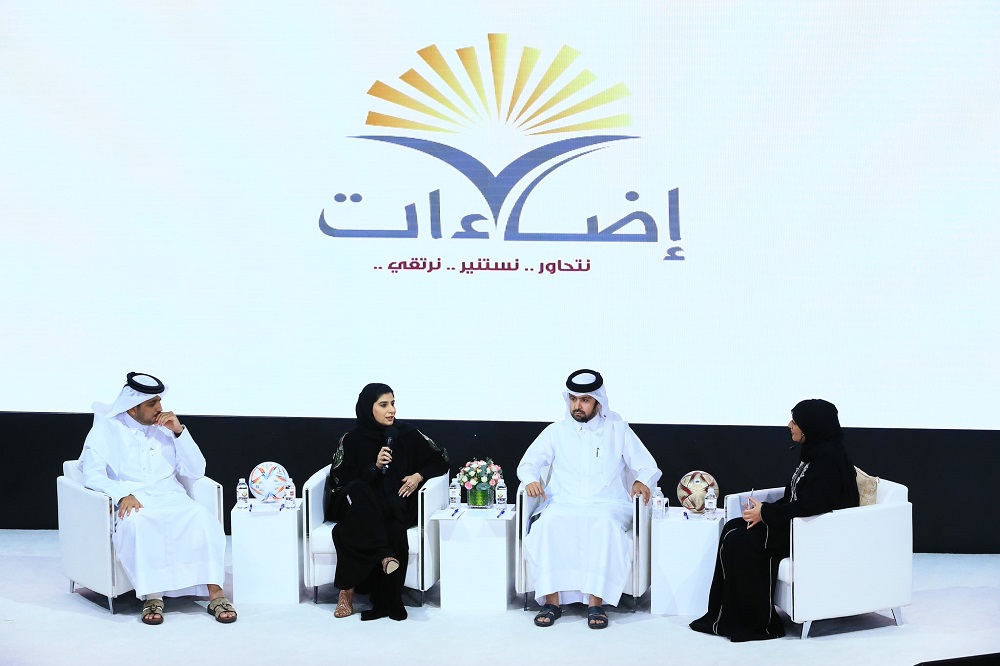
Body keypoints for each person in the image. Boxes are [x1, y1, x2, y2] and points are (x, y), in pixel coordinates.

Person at [690, 398, 860, 641]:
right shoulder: (815, 453)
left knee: (741, 540)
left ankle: (754, 623)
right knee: (732, 527)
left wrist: (767, 514)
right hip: (799, 524)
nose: (790, 425)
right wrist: (764, 511)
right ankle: (722, 617)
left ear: (811, 426)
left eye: (796, 421)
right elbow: (797, 497)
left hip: (812, 532)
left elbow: (815, 505)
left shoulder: (828, 459)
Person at [78, 372, 235, 625]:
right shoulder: (107, 430)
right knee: (138, 524)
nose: (160, 408)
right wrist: (122, 495)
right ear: (132, 408)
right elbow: (92, 475)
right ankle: (152, 597)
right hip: (135, 500)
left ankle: (216, 595)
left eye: (159, 401)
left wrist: (179, 431)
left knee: (203, 520)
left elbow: (197, 471)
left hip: (171, 497)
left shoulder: (165, 429)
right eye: (152, 404)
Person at [517, 369, 661, 630]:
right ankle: (551, 602)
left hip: (608, 504)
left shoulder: (617, 429)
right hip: (564, 501)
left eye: (584, 400)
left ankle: (596, 603)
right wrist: (530, 479)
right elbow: (527, 463)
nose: (577, 406)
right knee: (549, 522)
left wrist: (642, 480)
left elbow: (648, 466)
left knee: (602, 524)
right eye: (573, 399)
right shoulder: (556, 431)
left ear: (598, 401)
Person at [324, 383, 449, 621]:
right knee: (359, 490)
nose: (391, 410)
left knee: (349, 529)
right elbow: (341, 481)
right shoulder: (351, 440)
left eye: (393, 403)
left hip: (395, 504)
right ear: (367, 408)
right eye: (383, 405)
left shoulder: (407, 434)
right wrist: (374, 467)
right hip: (358, 502)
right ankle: (384, 555)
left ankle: (346, 591)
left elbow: (441, 459)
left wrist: (418, 476)